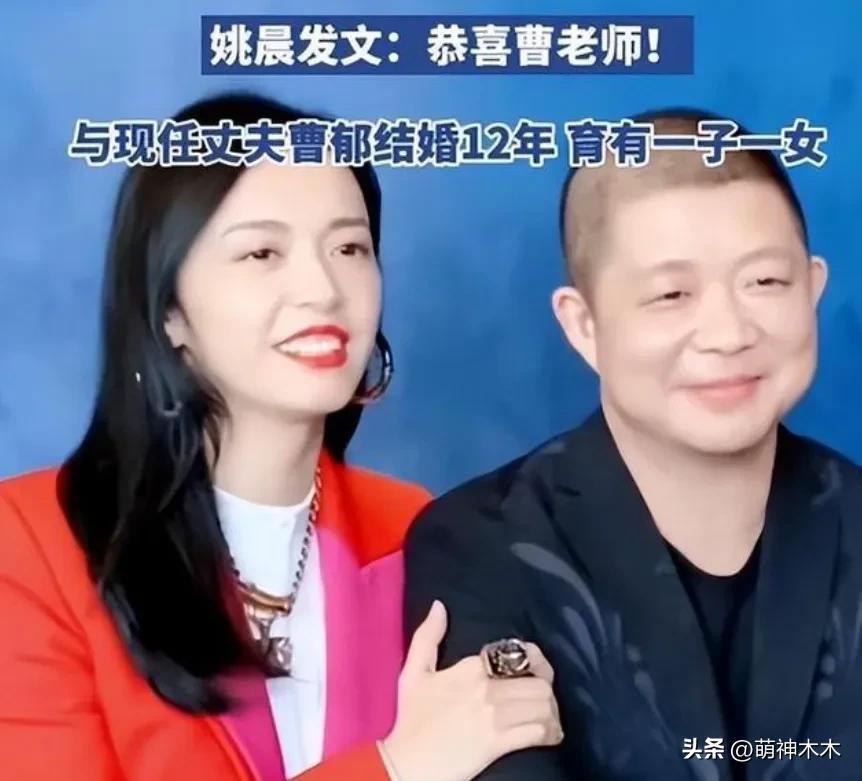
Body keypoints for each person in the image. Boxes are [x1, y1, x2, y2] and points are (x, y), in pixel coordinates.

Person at [0, 92, 562, 781]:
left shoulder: (418, 529)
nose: (322, 288)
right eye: (262, 251)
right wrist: (396, 767)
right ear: (168, 311)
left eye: (349, 247)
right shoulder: (29, 546)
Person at [404, 110, 862, 780]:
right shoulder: (482, 546)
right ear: (583, 325)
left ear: (814, 287)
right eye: (672, 294)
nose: (728, 333)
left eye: (765, 281)